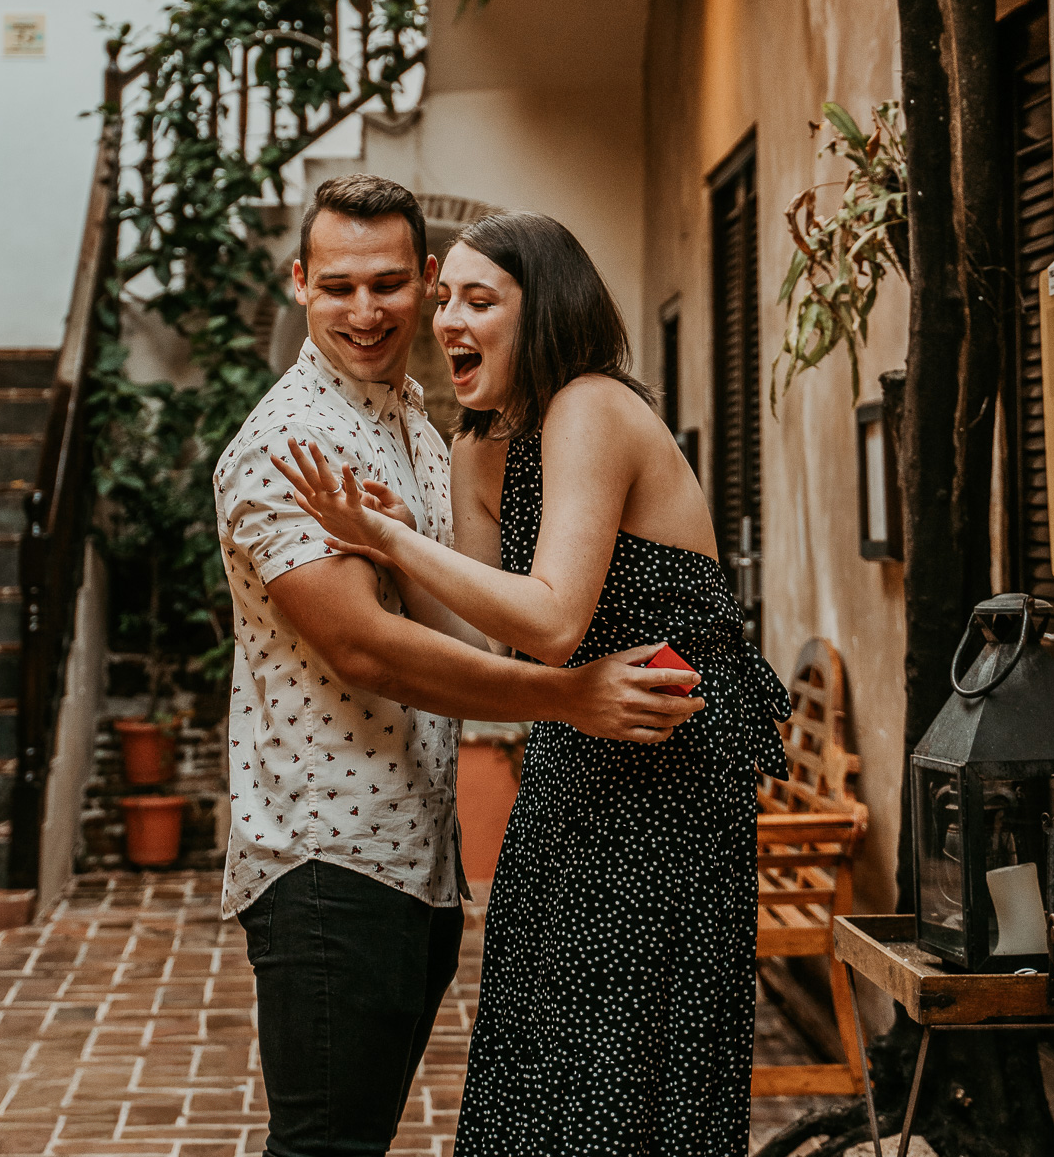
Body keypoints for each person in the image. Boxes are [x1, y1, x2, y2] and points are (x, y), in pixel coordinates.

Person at [275, 209, 793, 1157]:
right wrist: (390, 561)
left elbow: (553, 618)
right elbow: (488, 641)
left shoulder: (591, 406)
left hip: (667, 760)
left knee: (634, 1045)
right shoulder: (480, 447)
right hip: (573, 750)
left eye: (481, 301)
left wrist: (391, 540)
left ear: (542, 310)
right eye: (447, 301)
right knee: (539, 1029)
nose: (448, 323)